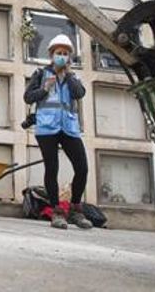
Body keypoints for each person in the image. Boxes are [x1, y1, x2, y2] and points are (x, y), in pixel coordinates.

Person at [23, 34, 93, 230]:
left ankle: (76, 209)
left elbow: (79, 94)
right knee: (51, 169)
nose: (61, 56)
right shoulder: (41, 74)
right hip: (47, 128)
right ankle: (56, 212)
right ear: (51, 55)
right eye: (58, 53)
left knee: (82, 168)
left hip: (69, 128)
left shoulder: (73, 77)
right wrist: (45, 89)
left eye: (65, 53)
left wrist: (68, 75)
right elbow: (28, 97)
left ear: (69, 57)